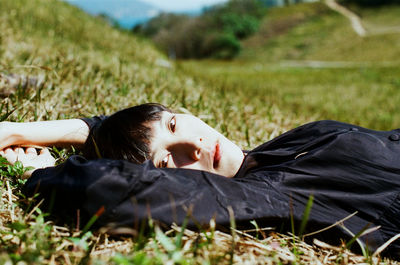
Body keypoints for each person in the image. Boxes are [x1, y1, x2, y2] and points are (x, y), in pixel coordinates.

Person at [1, 103, 399, 259]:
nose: (193, 146)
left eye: (176, 124)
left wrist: (19, 131)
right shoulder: (265, 195)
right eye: (167, 160)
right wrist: (40, 173)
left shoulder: (280, 150)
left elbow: (133, 127)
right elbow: (113, 190)